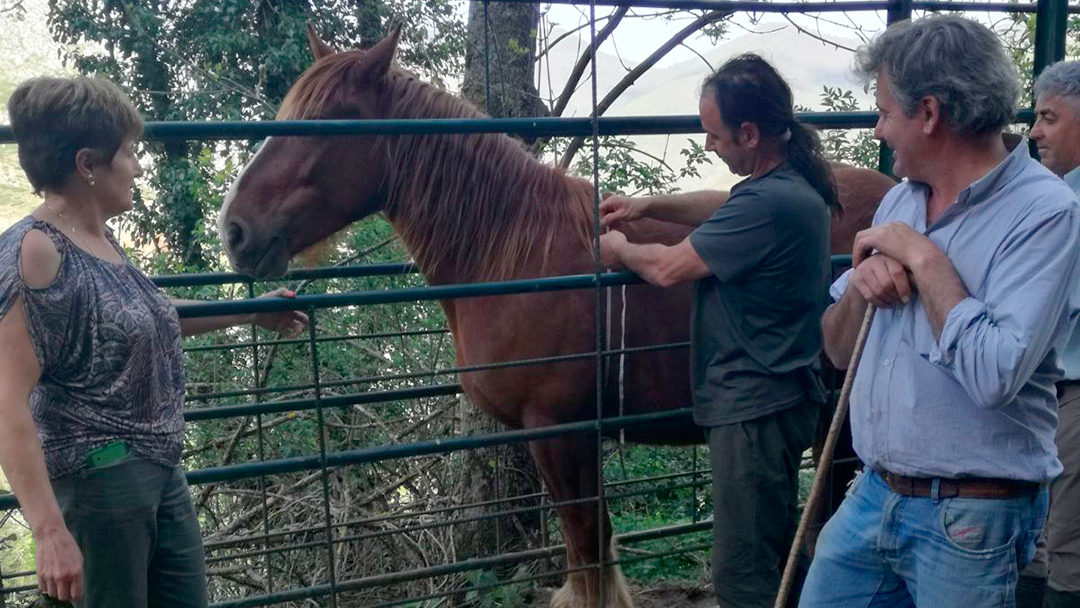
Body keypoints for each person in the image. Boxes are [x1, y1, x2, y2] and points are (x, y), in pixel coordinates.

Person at [801, 15, 1080, 607]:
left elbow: (995, 376)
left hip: (973, 513)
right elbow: (837, 350)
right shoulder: (901, 198)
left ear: (928, 113)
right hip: (874, 494)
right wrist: (861, 288)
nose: (878, 128)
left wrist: (925, 260)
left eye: (883, 112)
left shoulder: (1045, 213)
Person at [0, 76, 308, 607]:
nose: (139, 167)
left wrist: (251, 311)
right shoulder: (33, 250)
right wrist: (49, 531)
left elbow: (149, 315)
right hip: (100, 485)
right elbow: (6, 400)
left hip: (159, 471)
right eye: (130, 153)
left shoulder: (97, 239)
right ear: (87, 165)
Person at [598, 54, 837, 608]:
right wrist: (648, 204)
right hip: (778, 395)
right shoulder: (789, 182)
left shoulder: (771, 203)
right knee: (771, 547)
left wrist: (619, 248)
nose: (709, 145)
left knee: (743, 572)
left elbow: (666, 269)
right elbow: (725, 203)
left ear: (749, 134)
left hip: (755, 406)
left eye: (715, 135)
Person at [1019, 59, 1080, 608]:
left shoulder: (1065, 207)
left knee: (1063, 538)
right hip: (1059, 387)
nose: (1035, 131)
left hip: (1073, 388)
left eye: (1048, 118)